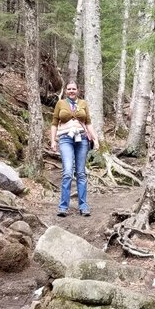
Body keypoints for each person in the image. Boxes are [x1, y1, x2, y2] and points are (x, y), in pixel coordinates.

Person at [50, 82, 99, 217]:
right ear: (66, 91)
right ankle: (63, 207)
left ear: (78, 90)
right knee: (67, 172)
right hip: (65, 139)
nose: (71, 91)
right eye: (69, 89)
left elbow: (88, 123)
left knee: (81, 173)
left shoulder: (83, 103)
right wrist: (53, 140)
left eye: (74, 89)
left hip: (82, 140)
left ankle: (83, 206)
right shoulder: (60, 104)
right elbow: (54, 124)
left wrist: (95, 139)